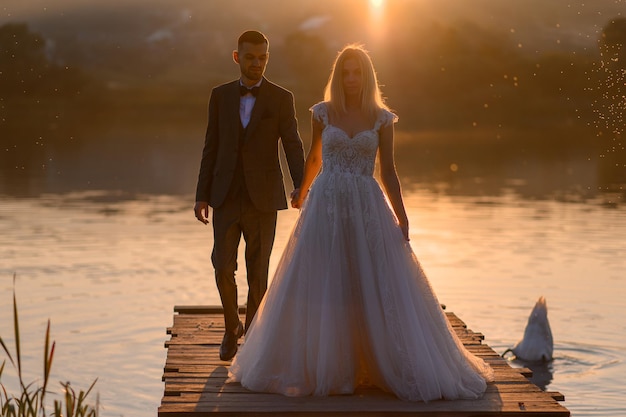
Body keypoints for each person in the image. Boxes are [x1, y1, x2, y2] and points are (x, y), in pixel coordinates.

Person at [227, 44, 494, 402]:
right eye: (345, 73)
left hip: (367, 205)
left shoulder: (382, 118)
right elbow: (314, 157)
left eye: (357, 73)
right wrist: (301, 192)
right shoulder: (322, 113)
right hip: (326, 204)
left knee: (369, 280)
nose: (351, 79)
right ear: (338, 77)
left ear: (367, 77)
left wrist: (402, 216)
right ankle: (331, 365)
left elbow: (389, 171)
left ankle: (374, 361)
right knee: (325, 280)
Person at [194, 30, 305, 361]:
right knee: (221, 266)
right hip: (225, 194)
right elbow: (210, 146)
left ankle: (254, 337)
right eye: (250, 57)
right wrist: (202, 195)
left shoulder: (281, 98)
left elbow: (293, 144)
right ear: (236, 57)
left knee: (259, 273)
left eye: (262, 57)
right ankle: (232, 328)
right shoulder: (220, 96)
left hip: (263, 198)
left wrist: (303, 186)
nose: (257, 63)